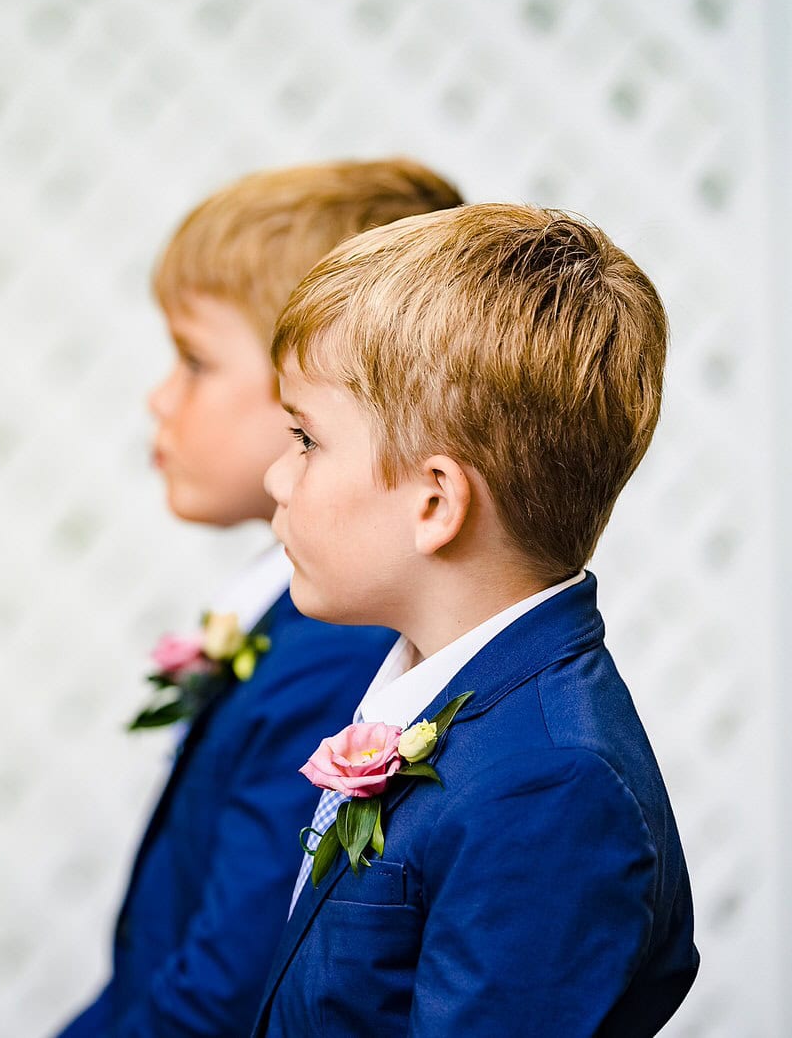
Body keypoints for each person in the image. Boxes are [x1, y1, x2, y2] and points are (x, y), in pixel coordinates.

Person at [254, 204, 699, 1035]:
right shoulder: (442, 704)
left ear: (435, 500)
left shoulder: (551, 785)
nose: (277, 478)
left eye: (306, 439)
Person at [57, 160, 462, 1037]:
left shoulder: (339, 652)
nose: (160, 397)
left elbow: (227, 991)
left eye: (196, 360)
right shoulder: (292, 622)